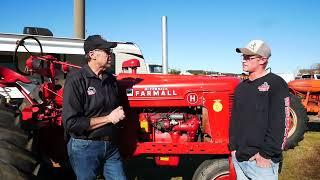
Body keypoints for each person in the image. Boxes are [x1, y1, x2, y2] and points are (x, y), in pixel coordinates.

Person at [62, 35, 126, 180]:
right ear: (92, 55)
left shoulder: (110, 79)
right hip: (85, 146)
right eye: (106, 51)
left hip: (111, 146)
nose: (110, 54)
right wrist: (109, 118)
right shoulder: (76, 80)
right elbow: (71, 123)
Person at [229, 40, 290, 180]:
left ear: (263, 60)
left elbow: (281, 123)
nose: (244, 60)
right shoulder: (241, 87)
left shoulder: (276, 84)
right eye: (243, 57)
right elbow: (236, 119)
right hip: (240, 157)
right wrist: (233, 147)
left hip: (261, 162)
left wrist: (265, 154)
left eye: (248, 57)